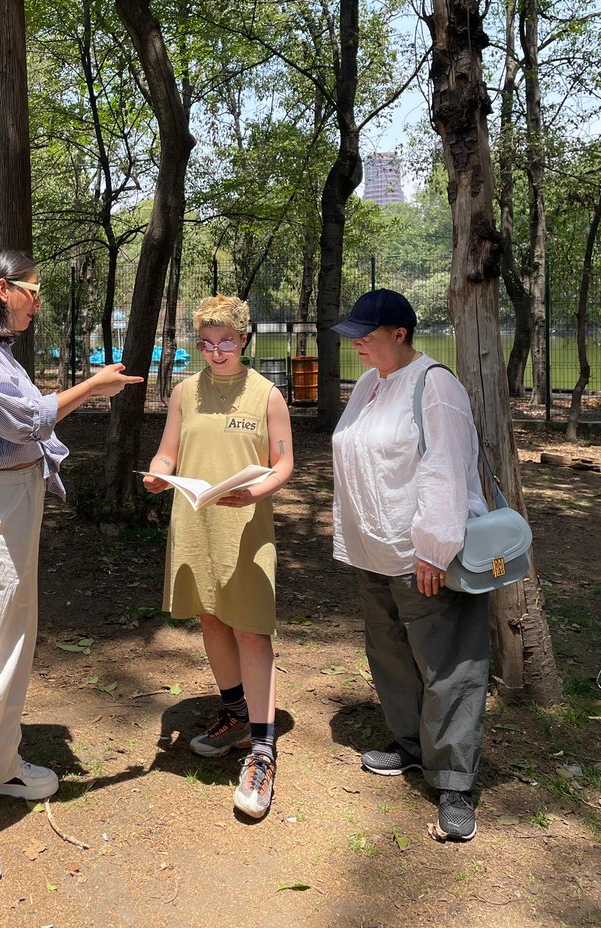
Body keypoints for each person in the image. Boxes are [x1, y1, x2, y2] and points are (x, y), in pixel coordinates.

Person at [0, 248, 142, 886]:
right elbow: (26, 418)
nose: (37, 302)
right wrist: (93, 386)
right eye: (33, 292)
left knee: (13, 638)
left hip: (10, 502)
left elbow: (26, 430)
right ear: (2, 287)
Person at [330, 288, 491, 842]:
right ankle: (410, 744)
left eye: (365, 337)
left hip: (421, 555)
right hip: (375, 551)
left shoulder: (435, 385)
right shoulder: (374, 383)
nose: (355, 346)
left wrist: (435, 546)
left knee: (448, 663)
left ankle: (454, 781)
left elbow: (446, 467)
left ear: (399, 334)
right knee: (391, 651)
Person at [143, 295, 294, 819]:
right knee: (210, 616)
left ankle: (262, 747)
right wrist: (159, 472)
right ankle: (232, 714)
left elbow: (282, 464)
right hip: (196, 520)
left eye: (226, 341)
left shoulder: (268, 395)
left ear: (244, 339)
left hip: (247, 526)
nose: (216, 351)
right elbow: (169, 450)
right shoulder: (185, 392)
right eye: (206, 343)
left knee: (251, 628)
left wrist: (255, 493)